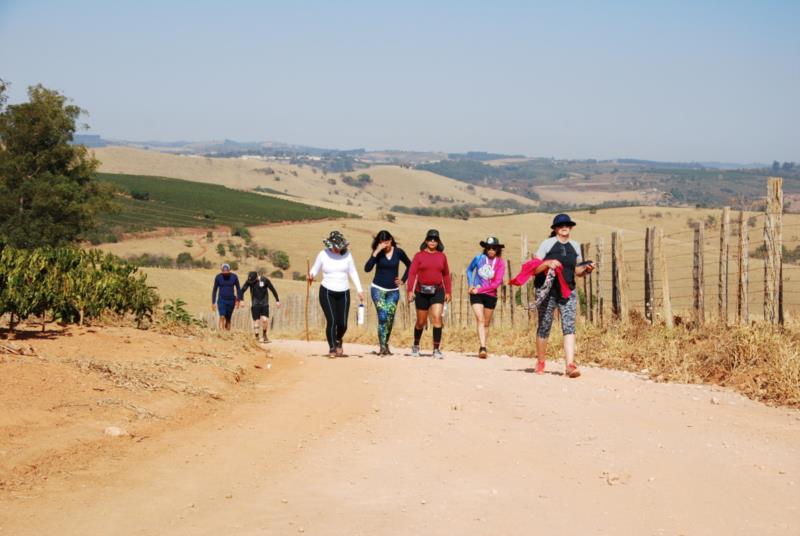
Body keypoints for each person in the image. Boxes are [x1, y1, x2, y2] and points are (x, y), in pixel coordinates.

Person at [530, 214, 593, 378]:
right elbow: (533, 268)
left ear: (571, 227)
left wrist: (586, 269)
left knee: (569, 325)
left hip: (568, 290)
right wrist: (546, 263)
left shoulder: (575, 246)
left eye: (567, 224)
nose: (564, 227)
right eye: (560, 225)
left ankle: (570, 365)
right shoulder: (547, 244)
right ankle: (541, 361)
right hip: (547, 290)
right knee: (544, 325)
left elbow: (577, 271)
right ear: (555, 228)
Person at [308, 230, 364, 358]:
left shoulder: (348, 255)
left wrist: (359, 289)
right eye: (335, 247)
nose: (338, 250)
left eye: (340, 247)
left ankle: (338, 339)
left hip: (344, 292)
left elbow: (353, 272)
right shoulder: (323, 254)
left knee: (343, 323)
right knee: (332, 321)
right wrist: (310, 276)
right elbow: (314, 270)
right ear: (330, 245)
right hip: (327, 291)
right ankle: (332, 347)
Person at [364, 230, 411, 356]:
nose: (385, 244)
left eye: (387, 241)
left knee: (389, 319)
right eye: (382, 242)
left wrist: (403, 279)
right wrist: (376, 252)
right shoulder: (377, 253)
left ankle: (386, 345)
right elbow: (367, 269)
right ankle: (382, 347)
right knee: (383, 316)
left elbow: (410, 265)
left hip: (393, 291)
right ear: (379, 242)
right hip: (377, 289)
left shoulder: (398, 252)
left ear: (391, 240)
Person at [406, 229, 451, 359]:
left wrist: (448, 291)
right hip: (421, 292)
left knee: (437, 317)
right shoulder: (418, 256)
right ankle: (415, 345)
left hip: (437, 291)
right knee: (421, 321)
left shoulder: (442, 256)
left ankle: (436, 349)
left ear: (438, 242)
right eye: (430, 239)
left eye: (435, 239)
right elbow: (412, 273)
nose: (432, 241)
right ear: (426, 241)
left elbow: (446, 274)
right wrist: (410, 290)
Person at [466, 236, 506, 359]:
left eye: (494, 248)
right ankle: (482, 347)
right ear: (485, 248)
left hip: (490, 295)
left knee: (486, 323)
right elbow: (469, 270)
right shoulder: (478, 258)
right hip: (476, 294)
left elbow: (497, 283)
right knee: (480, 319)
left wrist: (480, 289)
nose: (491, 250)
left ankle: (483, 344)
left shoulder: (500, 263)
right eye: (488, 248)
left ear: (497, 249)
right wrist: (471, 285)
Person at [239, 270, 280, 343]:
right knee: (256, 321)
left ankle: (264, 335)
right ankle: (257, 337)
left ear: (257, 277)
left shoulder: (265, 280)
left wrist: (277, 300)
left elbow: (273, 290)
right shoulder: (249, 281)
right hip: (255, 304)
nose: (252, 282)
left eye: (253, 281)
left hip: (264, 303)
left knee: (265, 320)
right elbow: (242, 291)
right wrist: (241, 300)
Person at [212, 263, 241, 331]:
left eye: (226, 271)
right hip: (221, 299)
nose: (225, 272)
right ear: (221, 270)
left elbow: (238, 288)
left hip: (231, 300)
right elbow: (215, 290)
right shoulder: (218, 277)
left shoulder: (234, 277)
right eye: (223, 271)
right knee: (222, 316)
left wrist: (238, 300)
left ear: (229, 270)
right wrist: (213, 302)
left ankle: (227, 333)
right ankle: (221, 332)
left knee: (228, 318)